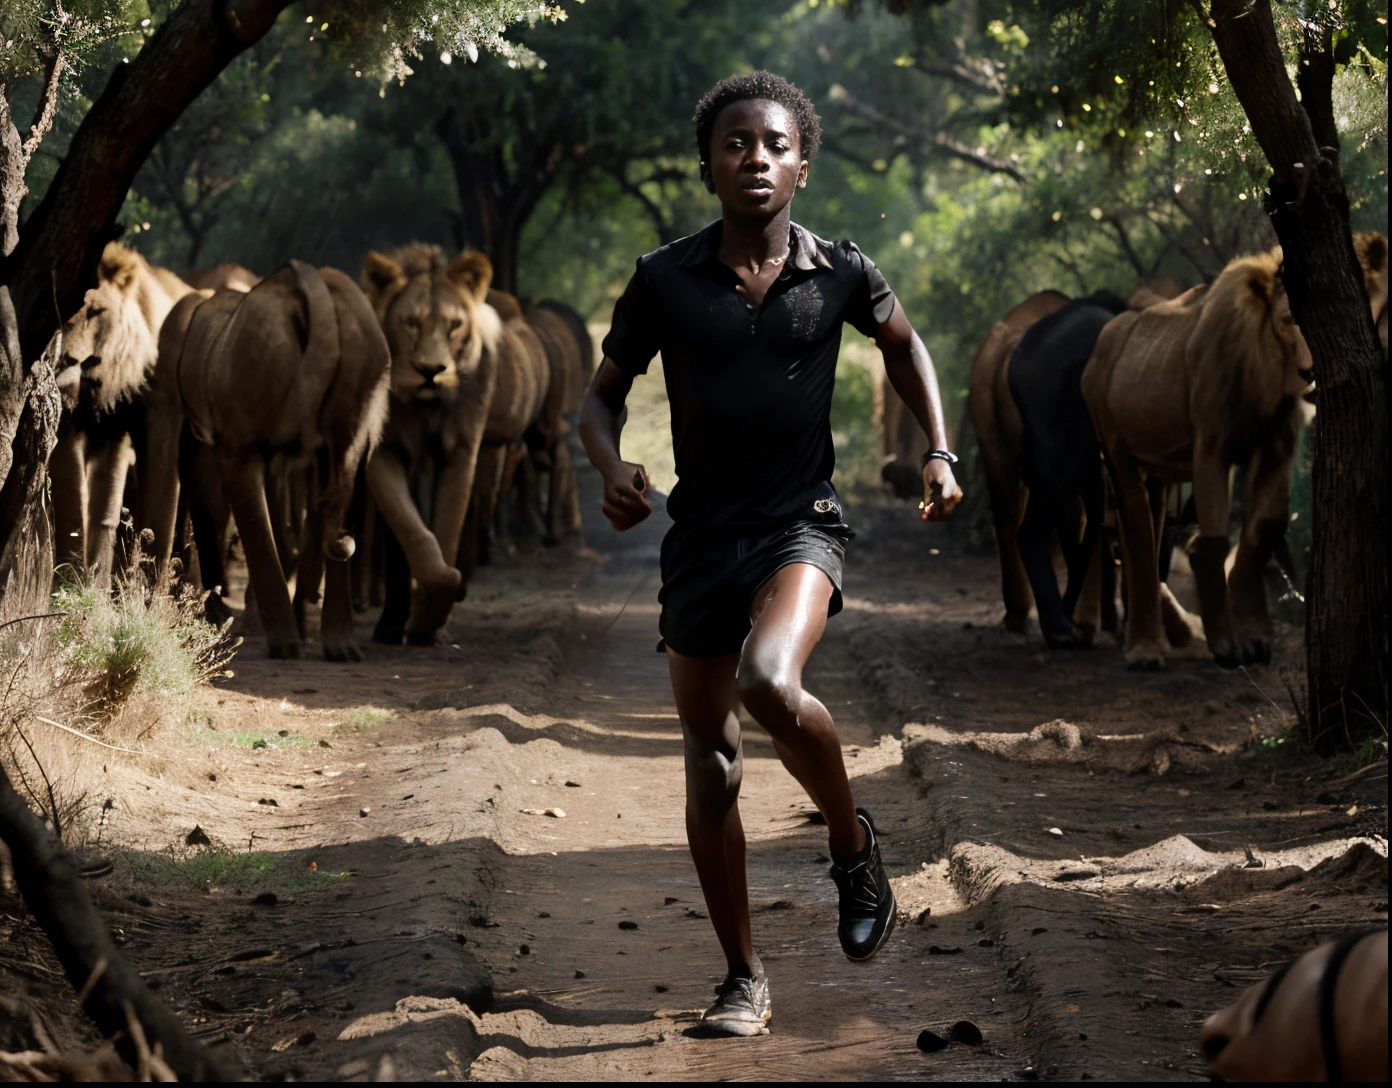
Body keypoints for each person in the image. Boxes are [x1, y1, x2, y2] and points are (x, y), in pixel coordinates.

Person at [579, 71, 962, 1037]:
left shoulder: (840, 271)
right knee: (711, 765)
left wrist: (939, 449)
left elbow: (906, 348)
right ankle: (744, 979)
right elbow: (599, 397)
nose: (755, 156)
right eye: (736, 143)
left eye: (774, 143)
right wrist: (611, 464)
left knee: (768, 680)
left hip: (803, 523)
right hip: (700, 538)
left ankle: (850, 842)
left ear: (802, 162)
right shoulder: (664, 278)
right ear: (709, 164)